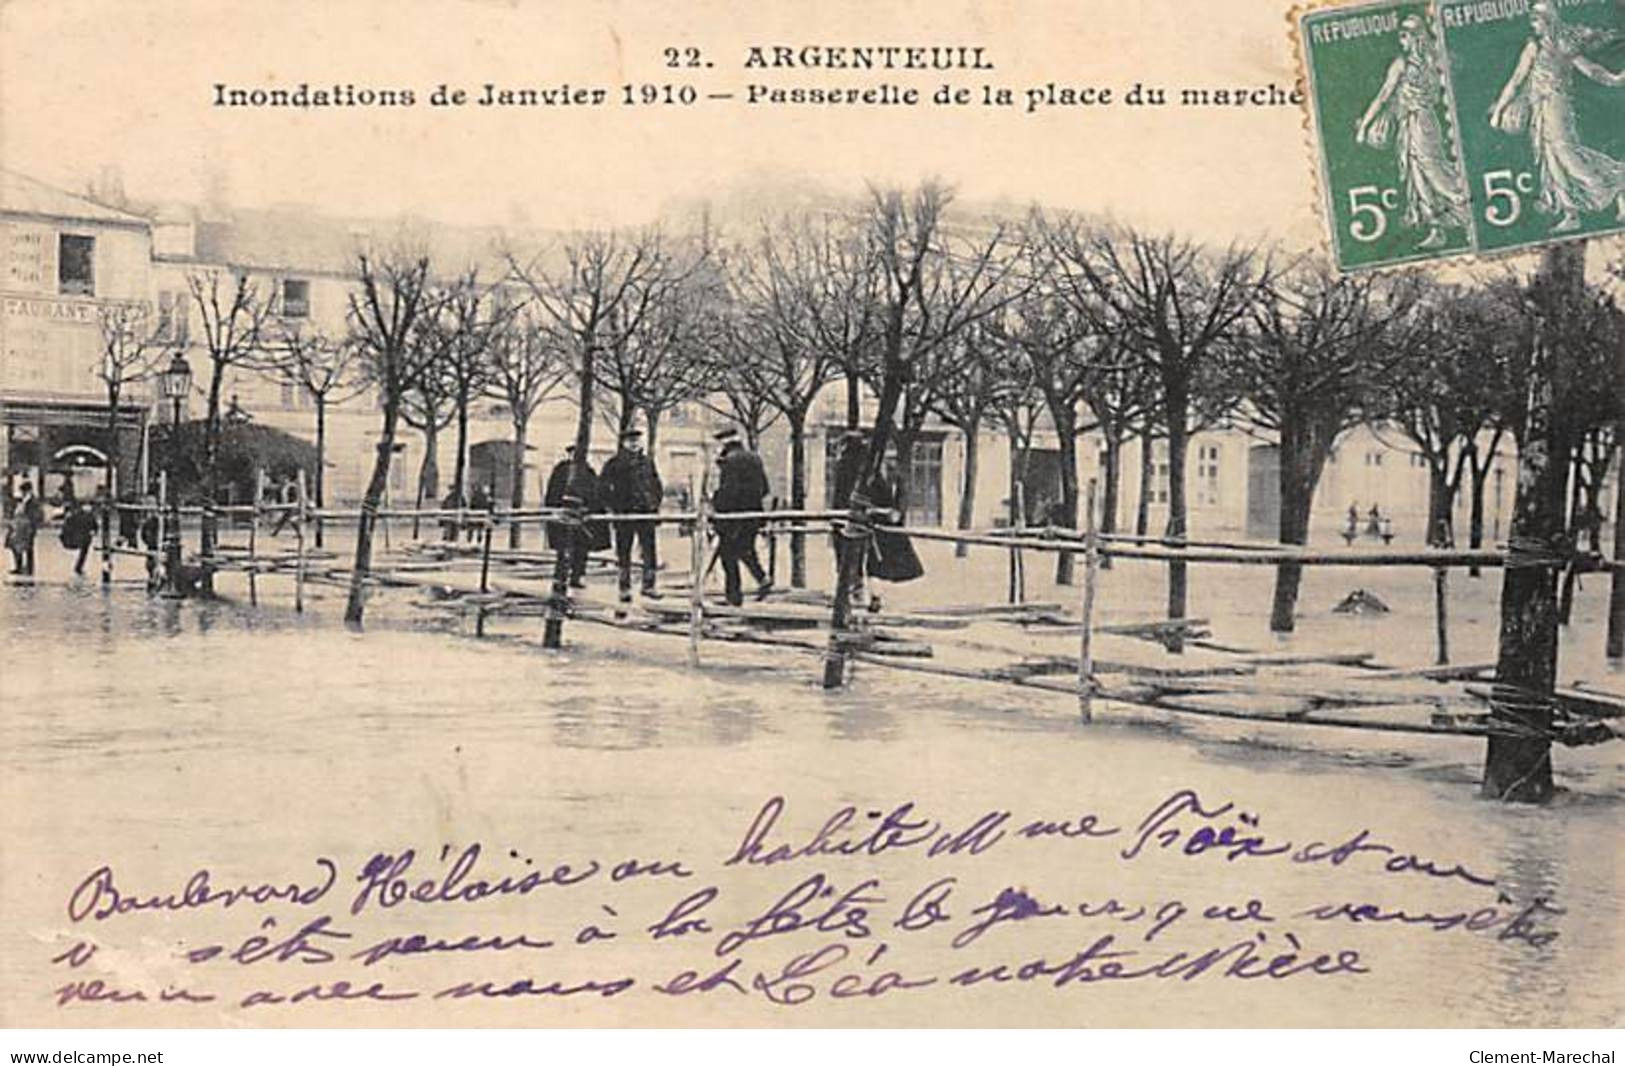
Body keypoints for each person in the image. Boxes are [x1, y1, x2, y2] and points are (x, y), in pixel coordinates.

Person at [1490, 1, 1625, 233]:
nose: (1533, 25)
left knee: (1567, 155)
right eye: (1532, 20)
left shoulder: (1563, 45)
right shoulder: (1533, 47)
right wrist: (1500, 110)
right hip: (1539, 111)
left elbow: (1589, 68)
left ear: (1549, 20)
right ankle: (1571, 213)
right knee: (1551, 159)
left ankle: (1619, 181)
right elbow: (1516, 81)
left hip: (1558, 107)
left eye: (1537, 20)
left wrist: (1614, 79)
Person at [1355, 15, 1470, 250]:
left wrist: (1366, 125)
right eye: (1401, 36)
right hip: (1414, 122)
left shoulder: (1406, 64)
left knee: (1432, 170)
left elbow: (1383, 96)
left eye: (1405, 35)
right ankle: (1437, 230)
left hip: (1420, 123)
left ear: (1416, 37)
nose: (1402, 40)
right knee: (1417, 175)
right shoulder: (1433, 62)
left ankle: (1465, 209)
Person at [600, 427, 663, 605]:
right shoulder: (614, 463)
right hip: (625, 515)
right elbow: (603, 488)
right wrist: (614, 508)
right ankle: (624, 588)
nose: (634, 443)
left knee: (649, 551)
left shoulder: (647, 462)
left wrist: (654, 504)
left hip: (645, 514)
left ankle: (649, 586)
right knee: (624, 552)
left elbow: (657, 485)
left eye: (637, 440)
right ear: (623, 443)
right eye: (630, 440)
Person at [711, 427, 772, 606]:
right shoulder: (755, 458)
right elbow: (765, 488)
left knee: (727, 554)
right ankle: (762, 578)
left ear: (724, 443)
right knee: (746, 550)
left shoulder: (728, 462)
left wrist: (717, 508)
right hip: (753, 515)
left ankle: (734, 597)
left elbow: (728, 492)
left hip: (732, 518)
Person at [862, 455, 924, 611]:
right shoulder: (868, 478)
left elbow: (903, 498)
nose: (888, 462)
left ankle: (888, 599)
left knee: (899, 566)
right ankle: (875, 597)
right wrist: (878, 512)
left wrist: (898, 512)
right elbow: (862, 504)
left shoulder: (897, 477)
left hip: (893, 528)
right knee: (873, 564)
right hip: (874, 528)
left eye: (892, 459)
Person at [545, 445, 608, 588]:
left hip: (583, 517)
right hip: (565, 515)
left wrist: (593, 509)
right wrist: (554, 510)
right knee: (564, 548)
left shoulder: (588, 471)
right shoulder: (562, 470)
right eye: (575, 453)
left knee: (582, 549)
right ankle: (560, 578)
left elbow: (596, 493)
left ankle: (577, 576)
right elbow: (553, 491)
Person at [6, 480, 42, 575]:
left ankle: (29, 568)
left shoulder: (32, 501)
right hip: (18, 527)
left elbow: (35, 515)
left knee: (28, 547)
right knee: (16, 546)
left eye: (23, 490)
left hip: (27, 527)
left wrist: (32, 527)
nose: (22, 492)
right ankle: (19, 566)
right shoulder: (23, 499)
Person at [60, 497, 97, 576]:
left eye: (89, 506)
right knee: (83, 550)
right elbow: (69, 525)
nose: (88, 508)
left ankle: (78, 567)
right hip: (79, 537)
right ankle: (78, 568)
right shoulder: (77, 515)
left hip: (85, 537)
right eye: (86, 506)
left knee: (84, 551)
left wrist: (93, 532)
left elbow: (95, 526)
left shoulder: (90, 515)